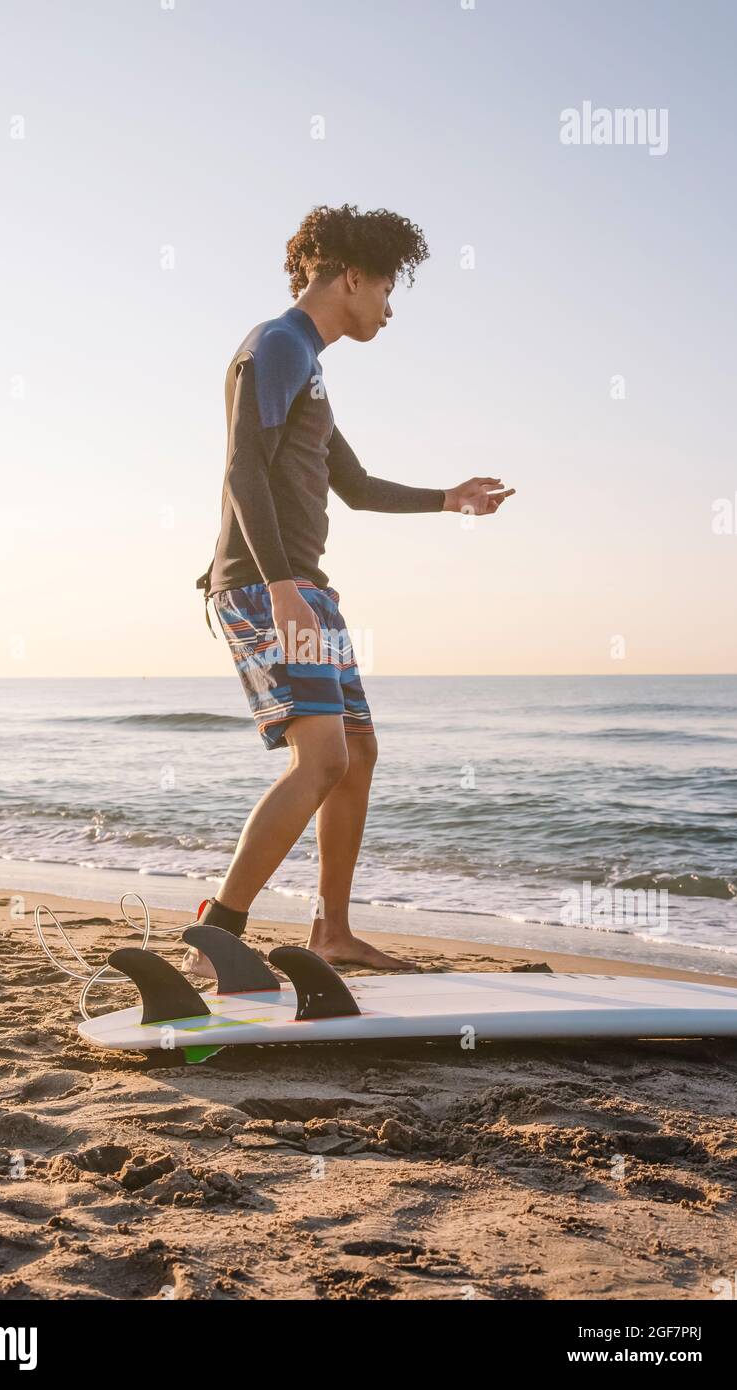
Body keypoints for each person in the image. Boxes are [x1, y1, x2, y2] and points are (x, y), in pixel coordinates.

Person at [190, 203, 514, 974]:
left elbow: (357, 486)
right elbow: (242, 468)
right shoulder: (275, 344)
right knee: (322, 760)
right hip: (269, 585)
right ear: (352, 276)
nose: (390, 308)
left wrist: (448, 498)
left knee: (358, 753)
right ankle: (218, 937)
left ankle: (331, 931)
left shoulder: (308, 364)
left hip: (305, 587)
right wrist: (279, 587)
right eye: (388, 289)